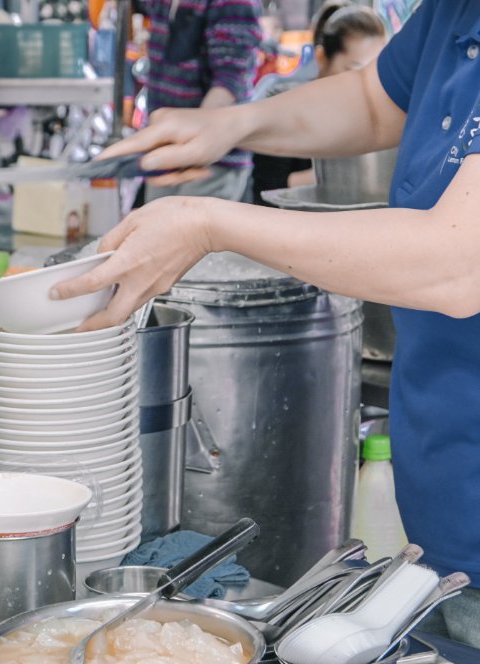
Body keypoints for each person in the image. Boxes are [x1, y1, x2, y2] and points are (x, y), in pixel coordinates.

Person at [52, 0, 480, 646]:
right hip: (447, 505)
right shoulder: (452, 13)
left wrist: (209, 223)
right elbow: (372, 101)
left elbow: (454, 264)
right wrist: (232, 124)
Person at [252, 1, 388, 202]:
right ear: (321, 57)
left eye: (375, 73)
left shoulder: (387, 114)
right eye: (354, 72)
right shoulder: (285, 106)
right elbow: (267, 189)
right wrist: (343, 172)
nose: (366, 85)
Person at [139, 0, 263, 203]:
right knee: (156, 229)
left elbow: (230, 83)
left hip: (213, 159)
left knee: (186, 230)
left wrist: (195, 144)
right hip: (166, 149)